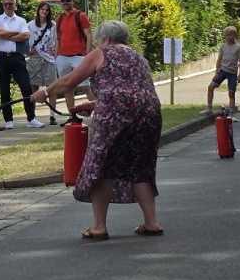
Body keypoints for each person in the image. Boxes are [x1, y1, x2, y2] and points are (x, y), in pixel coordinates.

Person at [31, 20, 163, 240]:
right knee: (142, 167)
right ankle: (152, 223)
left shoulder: (101, 52)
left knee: (101, 166)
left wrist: (45, 92)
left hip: (114, 115)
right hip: (149, 113)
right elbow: (131, 92)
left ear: (106, 38)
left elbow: (69, 81)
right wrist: (93, 105)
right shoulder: (138, 57)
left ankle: (99, 227)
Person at [0, 0, 41, 130]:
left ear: (15, 5)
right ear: (3, 5)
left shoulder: (21, 20)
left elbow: (25, 35)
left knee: (26, 87)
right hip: (1, 57)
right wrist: (15, 34)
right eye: (6, 4)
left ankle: (31, 118)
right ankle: (8, 120)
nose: (8, 6)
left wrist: (7, 35)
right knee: (4, 89)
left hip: (17, 57)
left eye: (11, 3)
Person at [54, 0, 94, 125]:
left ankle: (99, 114)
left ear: (73, 1)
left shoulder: (80, 15)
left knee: (85, 86)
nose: (66, 3)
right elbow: (58, 38)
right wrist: (57, 54)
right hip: (63, 56)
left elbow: (88, 34)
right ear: (61, 3)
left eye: (68, 0)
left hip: (79, 56)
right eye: (64, 1)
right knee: (67, 87)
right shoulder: (59, 18)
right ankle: (73, 116)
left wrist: (87, 54)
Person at [27, 1, 60, 126]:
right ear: (38, 10)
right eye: (42, 9)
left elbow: (56, 41)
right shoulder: (30, 25)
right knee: (33, 87)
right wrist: (28, 51)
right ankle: (32, 116)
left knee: (52, 87)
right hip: (35, 58)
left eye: (47, 10)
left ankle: (52, 115)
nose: (44, 12)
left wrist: (55, 54)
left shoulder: (52, 25)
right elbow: (25, 41)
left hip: (49, 59)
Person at [206, 26, 240, 115]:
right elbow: (219, 60)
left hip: (232, 73)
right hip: (223, 71)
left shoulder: (238, 47)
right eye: (226, 35)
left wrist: (239, 75)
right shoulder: (223, 46)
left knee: (231, 93)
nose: (228, 37)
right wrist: (216, 72)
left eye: (230, 35)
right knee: (210, 87)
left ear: (234, 35)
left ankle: (231, 113)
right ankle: (209, 108)